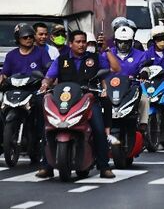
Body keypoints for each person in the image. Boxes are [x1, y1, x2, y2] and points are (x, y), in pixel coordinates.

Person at [36, 30, 121, 180]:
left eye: (84, 42)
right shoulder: (61, 60)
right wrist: (44, 85)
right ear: (70, 44)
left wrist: (106, 49)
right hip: (64, 101)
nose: (82, 45)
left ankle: (104, 167)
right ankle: (46, 166)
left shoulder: (95, 58)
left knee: (99, 129)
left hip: (89, 100)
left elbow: (115, 69)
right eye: (78, 42)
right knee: (48, 128)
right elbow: (49, 77)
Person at [110, 25, 150, 133]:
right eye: (120, 42)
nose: (123, 45)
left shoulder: (140, 55)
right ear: (115, 41)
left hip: (132, 89)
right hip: (111, 89)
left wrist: (144, 73)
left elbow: (145, 66)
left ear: (132, 42)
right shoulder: (109, 53)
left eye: (126, 42)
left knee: (144, 99)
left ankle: (143, 124)